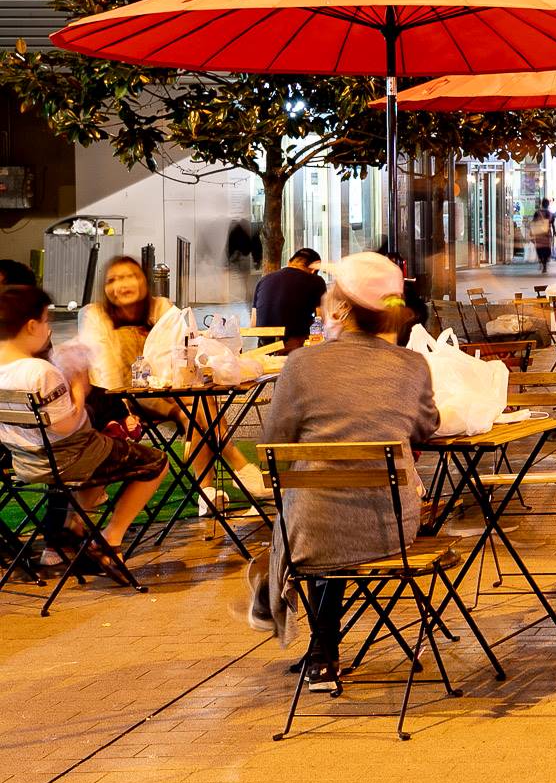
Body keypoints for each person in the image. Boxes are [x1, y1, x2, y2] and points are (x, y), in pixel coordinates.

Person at [249, 251, 440, 694]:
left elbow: (275, 441)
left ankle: (309, 635)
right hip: (388, 526)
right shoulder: (412, 365)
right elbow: (426, 428)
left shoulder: (301, 364)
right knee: (330, 507)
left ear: (342, 308)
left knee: (311, 510)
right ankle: (320, 648)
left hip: (312, 531)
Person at [0, 285, 166, 585]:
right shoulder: (39, 371)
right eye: (47, 321)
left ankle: (74, 527)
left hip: (25, 463)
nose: (49, 328)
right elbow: (66, 425)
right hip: (68, 458)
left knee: (108, 448)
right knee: (156, 461)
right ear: (31, 325)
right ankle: (110, 539)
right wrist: (78, 382)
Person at [80, 256, 268, 508]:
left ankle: (208, 490)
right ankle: (236, 468)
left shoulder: (161, 308)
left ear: (143, 281)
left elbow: (184, 347)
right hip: (125, 398)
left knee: (199, 403)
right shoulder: (96, 316)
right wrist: (125, 409)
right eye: (113, 280)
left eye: (129, 276)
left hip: (174, 390)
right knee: (197, 407)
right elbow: (104, 372)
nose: (121, 285)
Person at [253, 247, 326, 354]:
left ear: (289, 262)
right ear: (314, 270)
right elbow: (321, 318)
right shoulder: (316, 281)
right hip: (293, 347)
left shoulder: (263, 280)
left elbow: (253, 323)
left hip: (264, 348)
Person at [530, 203, 554, 273]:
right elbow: (552, 223)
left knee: (539, 249)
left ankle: (541, 260)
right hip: (546, 235)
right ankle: (544, 264)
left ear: (541, 204)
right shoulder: (549, 213)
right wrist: (554, 232)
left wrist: (531, 233)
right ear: (548, 205)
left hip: (539, 235)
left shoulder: (537, 213)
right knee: (546, 250)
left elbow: (533, 222)